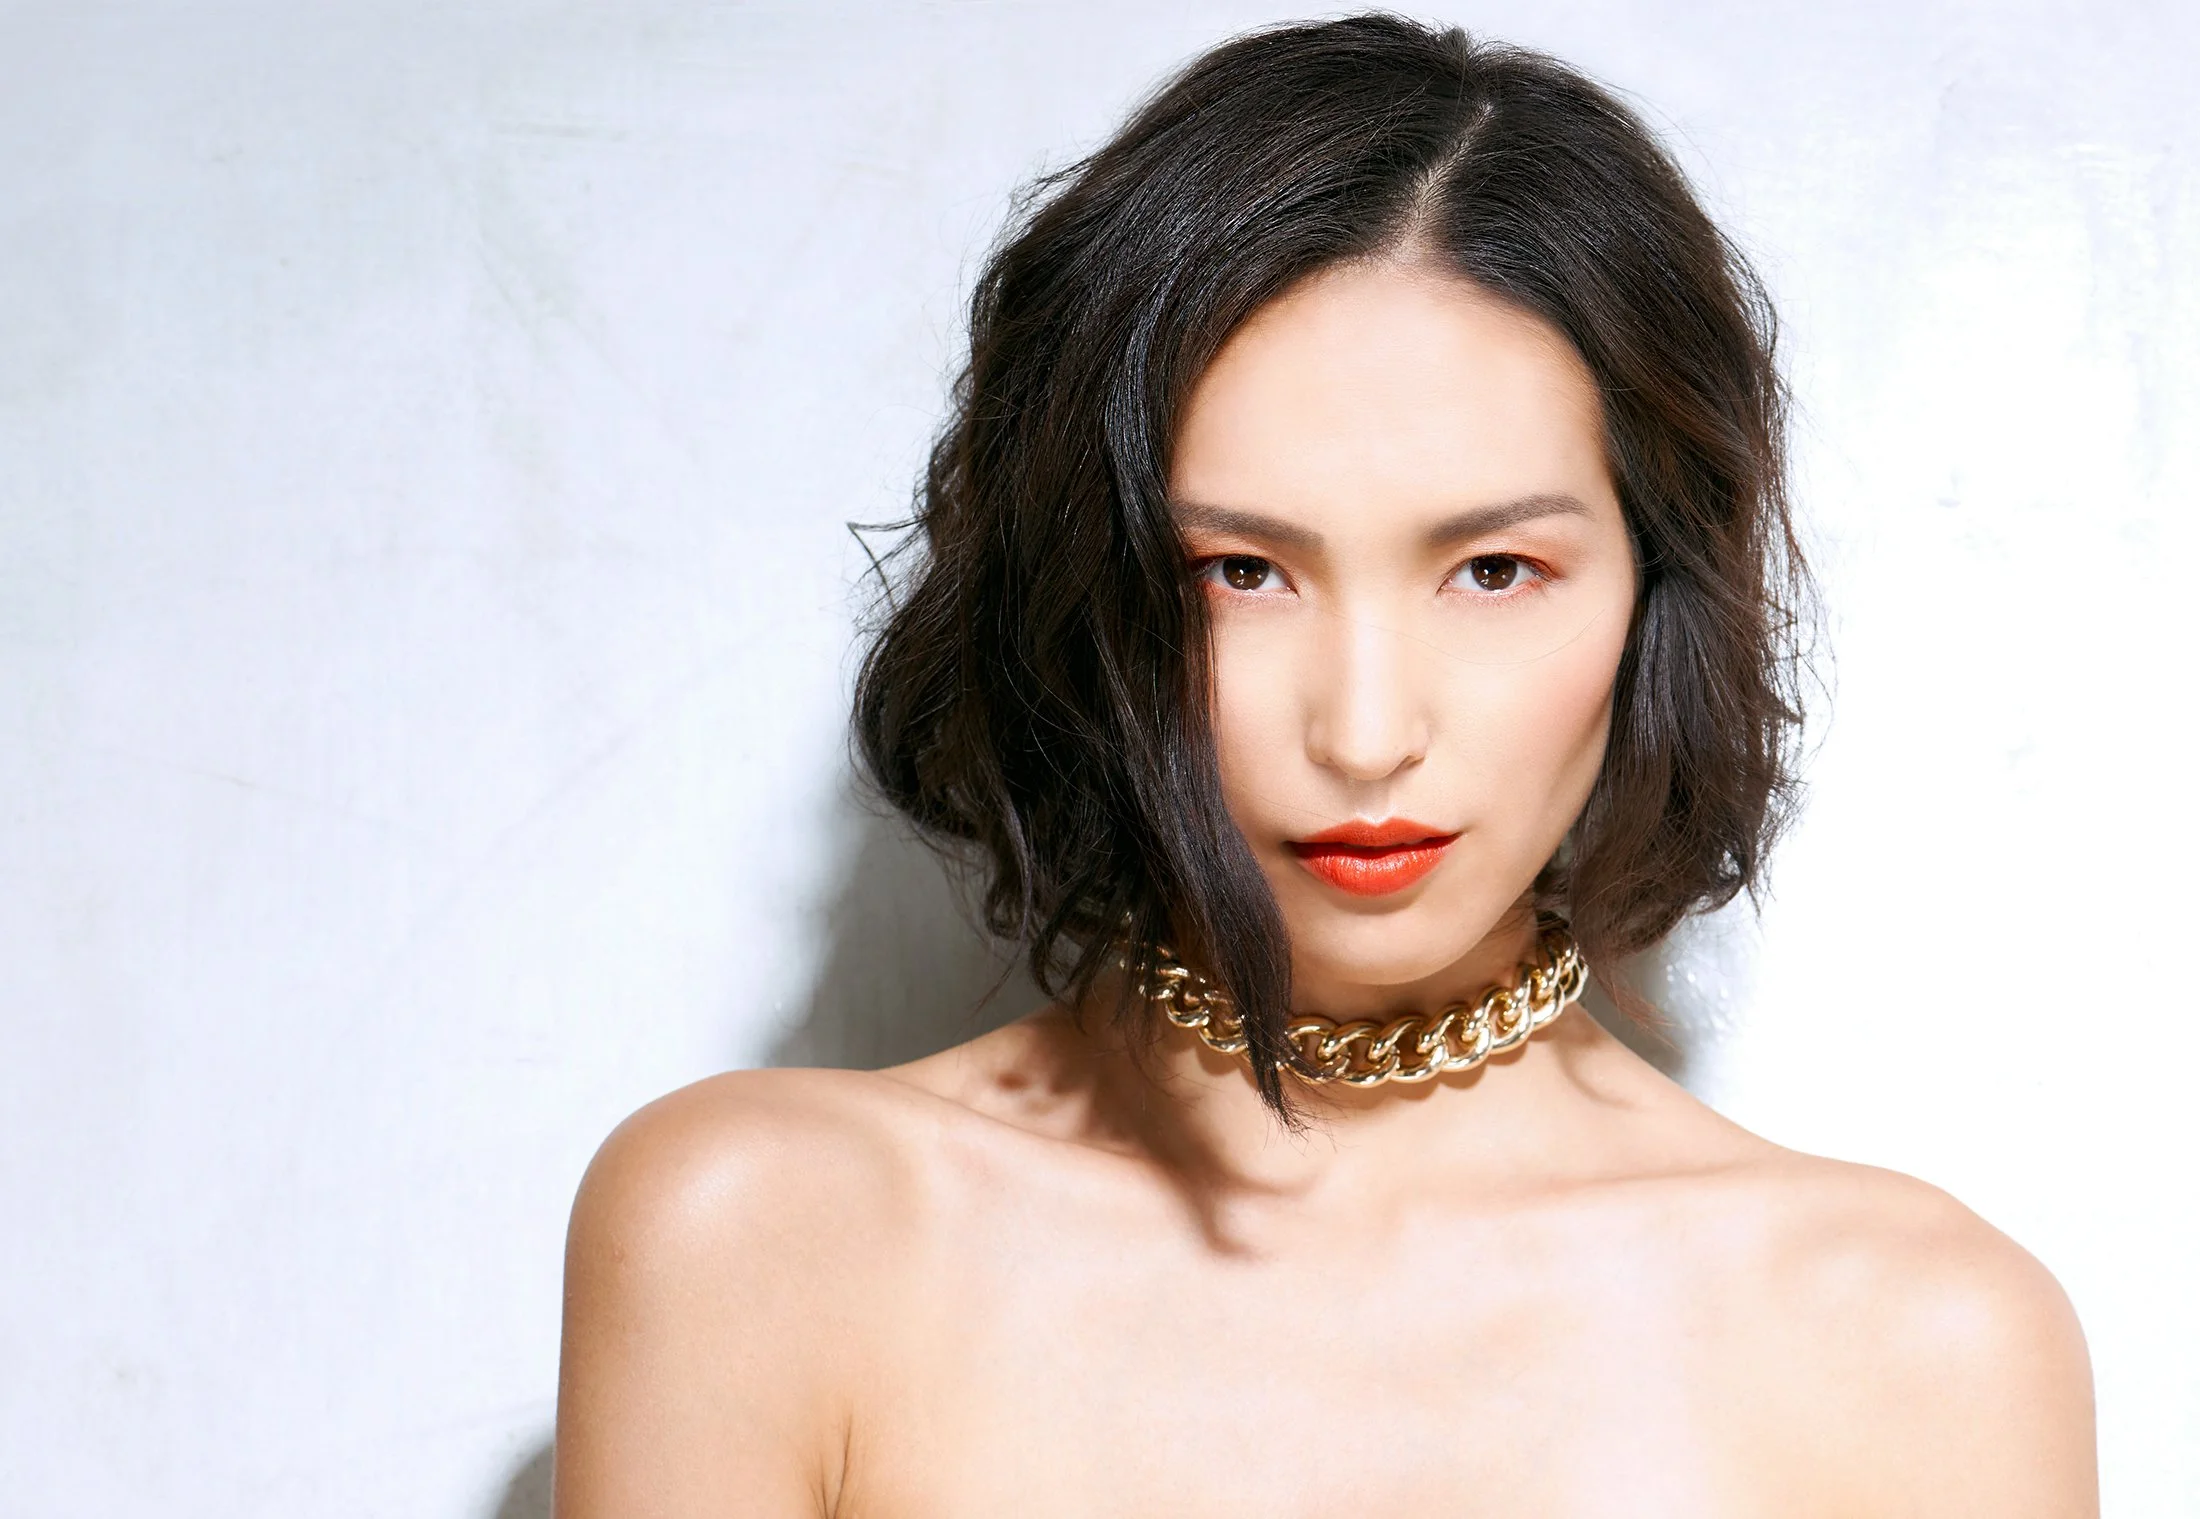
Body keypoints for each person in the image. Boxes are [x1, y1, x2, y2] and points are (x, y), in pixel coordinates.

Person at [552, 16, 2097, 1515]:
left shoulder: (1918, 1346)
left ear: (1656, 589)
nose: (1364, 733)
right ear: (1084, 587)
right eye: (1241, 572)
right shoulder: (761, 1235)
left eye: (1493, 570)